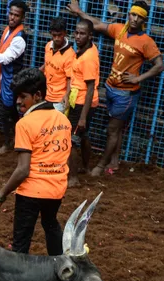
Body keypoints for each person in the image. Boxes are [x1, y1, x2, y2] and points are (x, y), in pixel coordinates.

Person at [67, 0, 162, 176]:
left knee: (112, 129)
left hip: (125, 94)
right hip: (111, 87)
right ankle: (114, 161)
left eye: (139, 17)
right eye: (133, 14)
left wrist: (138, 78)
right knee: (116, 129)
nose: (134, 19)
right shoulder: (120, 29)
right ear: (129, 14)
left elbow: (159, 65)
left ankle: (101, 166)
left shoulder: (146, 41)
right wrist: (79, 11)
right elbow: (95, 24)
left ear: (144, 20)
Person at [0, 67, 71, 256]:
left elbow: (23, 170)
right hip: (56, 189)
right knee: (50, 224)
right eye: (17, 96)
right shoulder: (63, 121)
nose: (18, 101)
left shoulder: (25, 124)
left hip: (31, 192)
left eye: (22, 96)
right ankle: (60, 267)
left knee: (21, 243)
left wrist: (0, 195)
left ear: (37, 95)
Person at [0, 0, 25, 155]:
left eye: (16, 15)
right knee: (9, 112)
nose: (12, 17)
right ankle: (11, 141)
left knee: (10, 112)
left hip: (13, 81)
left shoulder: (19, 38)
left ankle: (10, 142)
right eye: (11, 14)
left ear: (22, 18)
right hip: (5, 79)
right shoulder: (8, 31)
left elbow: (5, 58)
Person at [65, 17, 97, 188]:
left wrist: (83, 116)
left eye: (82, 34)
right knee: (83, 136)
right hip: (77, 100)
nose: (78, 36)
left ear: (90, 36)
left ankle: (73, 178)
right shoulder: (83, 51)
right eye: (76, 33)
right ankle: (86, 167)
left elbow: (90, 88)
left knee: (72, 141)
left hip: (82, 103)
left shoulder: (89, 57)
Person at [42, 16, 73, 113]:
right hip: (46, 94)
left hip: (59, 100)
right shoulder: (48, 46)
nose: (57, 38)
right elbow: (47, 64)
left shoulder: (70, 55)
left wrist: (66, 96)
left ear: (65, 33)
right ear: (51, 33)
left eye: (60, 35)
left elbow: (70, 78)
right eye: (54, 35)